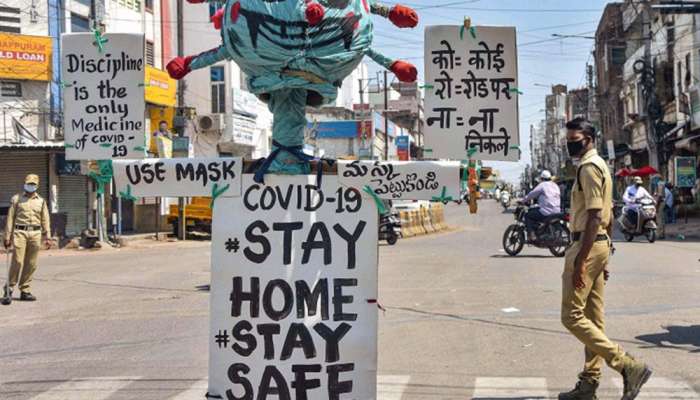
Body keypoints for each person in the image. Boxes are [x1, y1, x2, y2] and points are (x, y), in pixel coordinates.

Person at [559, 118, 651, 400]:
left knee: (572, 316)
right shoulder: (601, 166)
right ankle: (589, 383)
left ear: (589, 139)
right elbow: (607, 215)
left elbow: (596, 215)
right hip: (599, 245)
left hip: (585, 245)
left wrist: (582, 260)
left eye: (575, 140)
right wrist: (604, 258)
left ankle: (627, 365)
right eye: (568, 139)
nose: (570, 144)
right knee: (593, 319)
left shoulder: (588, 168)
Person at [3, 174, 51, 302]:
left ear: (37, 185)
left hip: (35, 234)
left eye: (33, 184)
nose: (31, 186)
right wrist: (7, 236)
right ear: (25, 184)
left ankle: (25, 290)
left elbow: (45, 219)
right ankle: (9, 288)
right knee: (17, 261)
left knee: (31, 263)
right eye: (29, 184)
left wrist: (48, 236)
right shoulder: (16, 199)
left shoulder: (41, 201)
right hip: (20, 232)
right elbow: (10, 218)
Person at [521, 170, 561, 239]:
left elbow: (532, 194)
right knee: (536, 210)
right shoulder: (555, 185)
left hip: (547, 211)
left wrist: (523, 200)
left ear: (542, 178)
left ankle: (532, 234)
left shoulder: (542, 185)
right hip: (557, 211)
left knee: (528, 215)